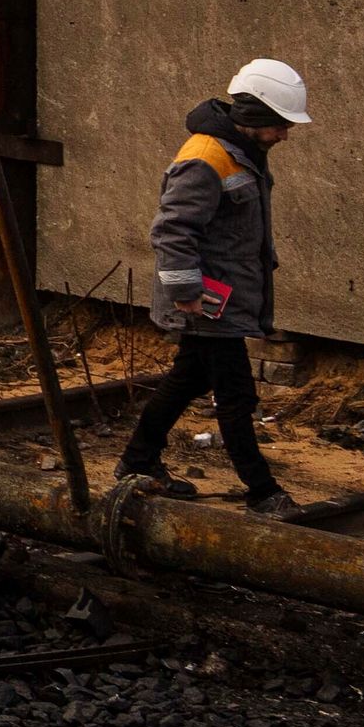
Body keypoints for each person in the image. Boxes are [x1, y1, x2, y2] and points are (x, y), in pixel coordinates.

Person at [111, 57, 310, 517]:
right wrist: (185, 294)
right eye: (280, 125)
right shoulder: (205, 158)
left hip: (221, 296)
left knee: (189, 379)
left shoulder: (243, 153)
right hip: (205, 302)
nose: (284, 134)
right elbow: (172, 232)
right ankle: (262, 491)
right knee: (236, 395)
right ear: (256, 116)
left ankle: (137, 462)